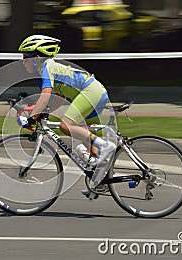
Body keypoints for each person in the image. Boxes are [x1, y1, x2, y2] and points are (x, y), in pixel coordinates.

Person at [16, 35, 115, 197]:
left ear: (37, 57)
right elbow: (57, 100)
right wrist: (35, 110)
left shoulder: (47, 67)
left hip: (91, 91)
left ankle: (104, 146)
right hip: (94, 92)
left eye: (26, 57)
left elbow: (46, 95)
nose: (23, 61)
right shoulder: (48, 70)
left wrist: (32, 117)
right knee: (84, 143)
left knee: (65, 126)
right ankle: (100, 181)